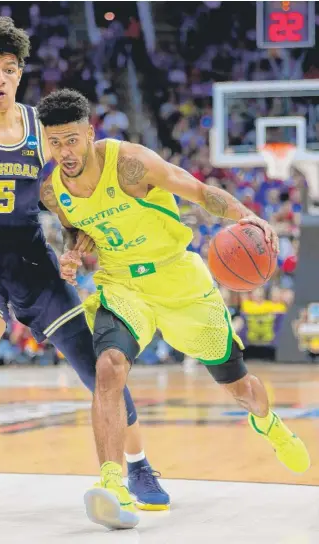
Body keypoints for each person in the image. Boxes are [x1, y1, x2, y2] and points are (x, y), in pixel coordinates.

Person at [0, 17, 170, 513]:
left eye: (8, 68)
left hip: (32, 259)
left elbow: (76, 196)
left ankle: (137, 464)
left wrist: (75, 243)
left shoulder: (43, 131)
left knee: (100, 369)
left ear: (21, 73)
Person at [37, 88, 311, 530]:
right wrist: (73, 252)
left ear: (90, 133)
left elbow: (200, 192)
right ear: (44, 141)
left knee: (241, 389)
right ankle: (112, 483)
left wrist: (247, 215)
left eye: (71, 140)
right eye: (54, 142)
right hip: (123, 285)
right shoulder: (52, 192)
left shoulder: (131, 163)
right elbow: (77, 231)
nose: (64, 152)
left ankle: (269, 423)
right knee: (108, 367)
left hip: (179, 281)